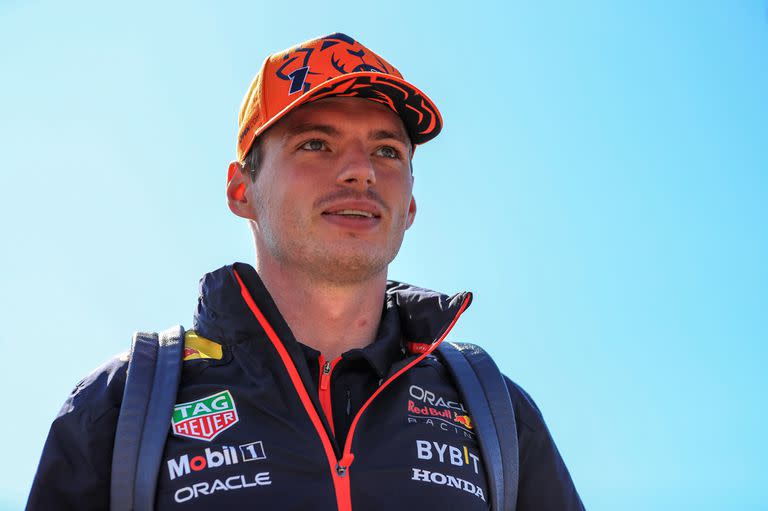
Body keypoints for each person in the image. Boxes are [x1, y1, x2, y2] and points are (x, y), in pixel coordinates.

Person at [27, 33, 585, 510]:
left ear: (411, 203)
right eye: (316, 144)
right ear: (242, 190)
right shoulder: (126, 404)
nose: (360, 171)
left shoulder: (493, 411)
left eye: (388, 151)